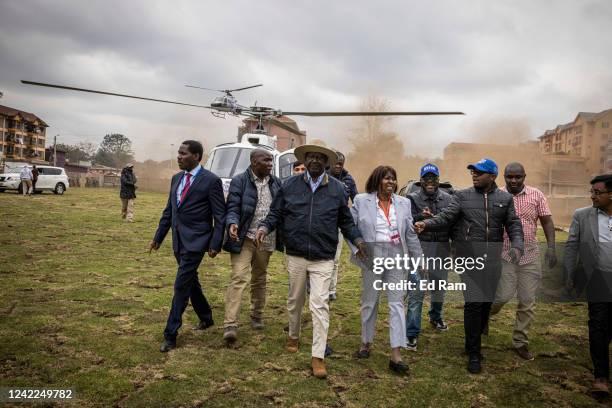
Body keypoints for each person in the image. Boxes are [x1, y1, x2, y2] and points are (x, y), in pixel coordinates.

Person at [255, 144, 367, 379]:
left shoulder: (338, 189)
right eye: (311, 157)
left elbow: (346, 222)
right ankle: (293, 335)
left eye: (320, 158)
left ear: (326, 163)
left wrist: (357, 241)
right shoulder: (289, 185)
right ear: (305, 160)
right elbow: (276, 213)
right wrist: (265, 227)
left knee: (319, 304)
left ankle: (318, 356)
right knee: (295, 300)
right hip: (295, 253)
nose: (315, 161)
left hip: (323, 256)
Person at [414, 158, 523, 374]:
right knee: (473, 303)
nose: (474, 175)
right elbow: (446, 217)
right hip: (468, 258)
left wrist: (518, 246)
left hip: (493, 259)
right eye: (472, 172)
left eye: (479, 172)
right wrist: (426, 224)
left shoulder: (505, 199)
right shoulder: (461, 196)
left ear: (492, 176)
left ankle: (475, 336)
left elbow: (513, 224)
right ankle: (474, 352)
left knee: (485, 303)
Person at [149, 140, 226, 352]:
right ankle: (206, 317)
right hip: (178, 240)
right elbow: (169, 211)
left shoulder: (211, 181)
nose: (179, 156)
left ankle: (170, 334)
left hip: (197, 242)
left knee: (181, 285)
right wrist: (158, 237)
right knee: (191, 281)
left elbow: (220, 216)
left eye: (183, 153)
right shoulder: (176, 179)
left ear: (197, 157)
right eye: (179, 153)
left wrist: (215, 243)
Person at [351, 165, 422, 375]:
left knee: (396, 303)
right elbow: (350, 228)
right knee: (370, 301)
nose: (391, 182)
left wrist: (419, 259)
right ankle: (365, 342)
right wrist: (357, 248)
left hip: (397, 256)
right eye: (386, 178)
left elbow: (409, 234)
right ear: (377, 180)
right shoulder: (360, 201)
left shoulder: (404, 203)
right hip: (371, 255)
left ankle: (396, 354)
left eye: (393, 179)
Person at [490, 162, 556, 361]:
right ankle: (484, 315)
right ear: (504, 176)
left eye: (518, 177)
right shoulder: (497, 195)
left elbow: (547, 221)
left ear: (524, 177)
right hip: (505, 255)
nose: (513, 181)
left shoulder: (537, 195)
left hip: (530, 256)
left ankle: (521, 341)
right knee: (502, 296)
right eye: (509, 177)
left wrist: (552, 248)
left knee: (527, 301)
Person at [222, 149, 283, 344]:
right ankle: (230, 324)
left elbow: (277, 210)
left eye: (271, 161)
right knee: (239, 277)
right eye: (266, 160)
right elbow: (232, 206)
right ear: (254, 162)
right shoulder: (240, 181)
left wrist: (266, 228)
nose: (270, 164)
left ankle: (257, 315)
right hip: (244, 238)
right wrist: (232, 222)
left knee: (259, 277)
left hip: (266, 239)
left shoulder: (276, 183)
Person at [565, 174, 612, 397]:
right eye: (591, 191)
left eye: (597, 192)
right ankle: (601, 377)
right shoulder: (582, 216)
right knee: (598, 325)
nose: (592, 196)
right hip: (599, 279)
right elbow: (572, 245)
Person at [406, 163, 453, 351]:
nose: (430, 181)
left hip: (441, 249)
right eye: (426, 178)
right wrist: (419, 216)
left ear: (438, 180)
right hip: (420, 249)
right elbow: (406, 223)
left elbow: (451, 221)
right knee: (417, 293)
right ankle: (411, 334)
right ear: (421, 180)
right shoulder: (411, 199)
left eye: (433, 178)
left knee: (439, 289)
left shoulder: (449, 199)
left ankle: (435, 316)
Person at [328, 151, 358, 301]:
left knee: (335, 258)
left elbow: (356, 200)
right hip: (321, 222)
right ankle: (312, 284)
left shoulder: (348, 179)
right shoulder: (322, 175)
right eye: (336, 163)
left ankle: (331, 289)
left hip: (339, 223)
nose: (338, 165)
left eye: (341, 163)